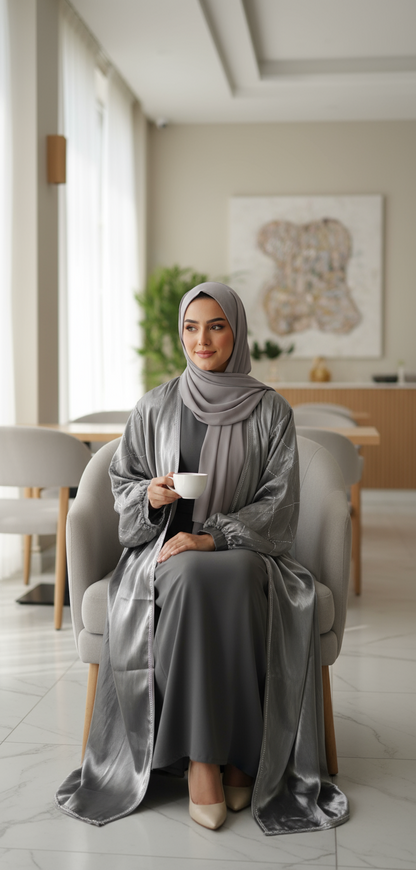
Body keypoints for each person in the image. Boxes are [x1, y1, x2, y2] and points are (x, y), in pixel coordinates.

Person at [55, 282, 349, 834]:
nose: (202, 339)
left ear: (236, 332)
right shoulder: (155, 406)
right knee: (187, 574)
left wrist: (213, 536)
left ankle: (242, 755)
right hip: (164, 551)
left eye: (215, 325)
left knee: (229, 575)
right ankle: (206, 763)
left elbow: (280, 504)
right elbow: (124, 482)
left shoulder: (271, 409)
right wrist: (151, 495)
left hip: (248, 551)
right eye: (191, 327)